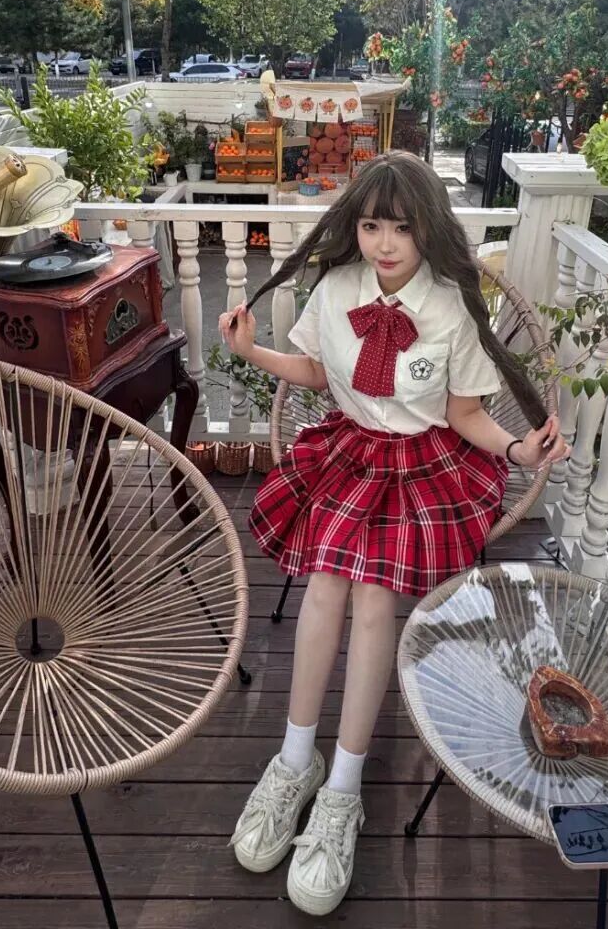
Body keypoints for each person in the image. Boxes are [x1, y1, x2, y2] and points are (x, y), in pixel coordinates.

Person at [218, 151, 568, 917]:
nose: (384, 243)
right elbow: (316, 372)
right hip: (348, 453)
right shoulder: (337, 286)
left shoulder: (448, 305)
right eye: (372, 225)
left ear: (426, 230)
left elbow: (465, 415)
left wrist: (517, 451)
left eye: (401, 229)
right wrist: (250, 352)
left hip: (420, 465)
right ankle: (294, 761)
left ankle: (343, 788)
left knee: (374, 601)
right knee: (323, 589)